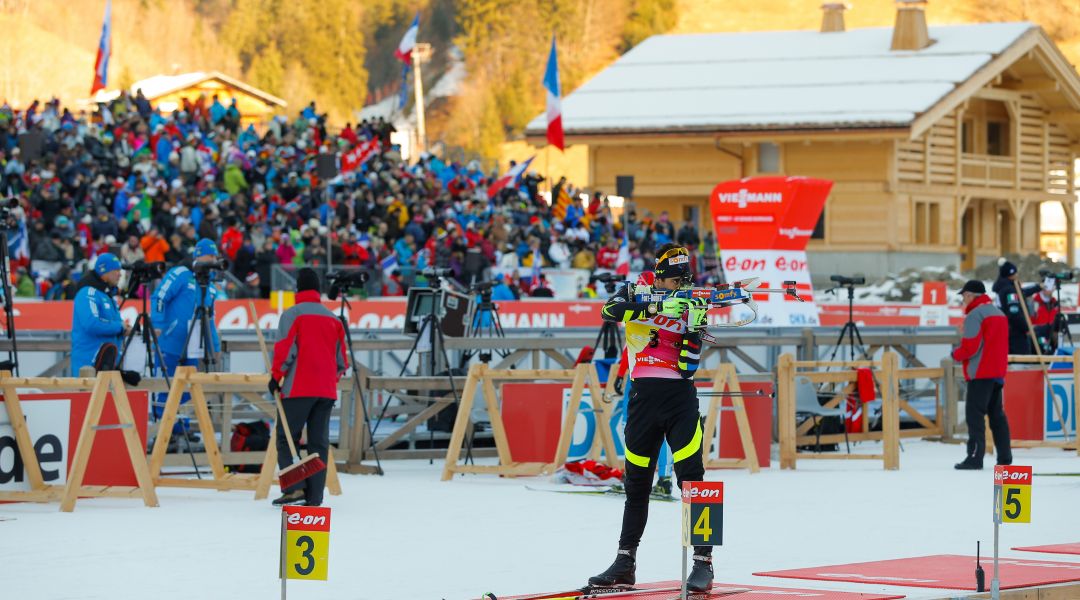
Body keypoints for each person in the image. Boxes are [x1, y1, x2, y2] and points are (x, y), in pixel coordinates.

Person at [589, 243, 713, 592]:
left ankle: (704, 562)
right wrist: (656, 306)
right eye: (674, 280)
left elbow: (689, 364)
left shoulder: (695, 302)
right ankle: (625, 561)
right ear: (660, 277)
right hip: (642, 397)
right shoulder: (635, 291)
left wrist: (692, 321)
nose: (679, 286)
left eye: (682, 280)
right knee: (636, 482)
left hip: (678, 398)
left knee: (694, 480)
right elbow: (609, 310)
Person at [269, 268, 348, 507]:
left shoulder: (293, 314)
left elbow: (286, 350)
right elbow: (341, 362)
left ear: (298, 289)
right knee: (318, 443)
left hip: (298, 388)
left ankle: (294, 489)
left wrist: (275, 376)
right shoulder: (333, 319)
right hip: (325, 391)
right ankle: (315, 496)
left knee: (287, 438)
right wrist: (327, 382)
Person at [150, 239, 223, 423]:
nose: (214, 260)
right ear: (198, 255)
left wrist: (215, 346)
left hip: (192, 348)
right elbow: (159, 297)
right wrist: (158, 325)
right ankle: (164, 432)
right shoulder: (180, 273)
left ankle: (183, 427)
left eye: (216, 256)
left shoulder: (210, 287)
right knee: (166, 389)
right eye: (210, 255)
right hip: (169, 343)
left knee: (188, 392)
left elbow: (210, 319)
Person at [953, 279, 1012, 470]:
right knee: (997, 416)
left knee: (974, 416)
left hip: (980, 373)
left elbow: (970, 347)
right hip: (997, 373)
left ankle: (975, 457)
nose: (963, 300)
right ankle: (1005, 458)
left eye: (964, 296)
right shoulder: (999, 313)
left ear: (970, 295)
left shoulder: (974, 315)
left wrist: (955, 354)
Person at [70, 253, 127, 375]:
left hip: (106, 367)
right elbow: (91, 324)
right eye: (116, 270)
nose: (120, 274)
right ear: (104, 271)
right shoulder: (88, 292)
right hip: (89, 367)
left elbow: (113, 324)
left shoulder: (106, 295)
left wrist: (124, 330)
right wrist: (120, 327)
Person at [992, 261, 1039, 355]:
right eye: (1015, 273)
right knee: (1021, 363)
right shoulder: (1010, 291)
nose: (1017, 275)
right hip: (1015, 334)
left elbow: (1022, 293)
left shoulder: (1003, 288)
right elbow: (1014, 312)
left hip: (1006, 331)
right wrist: (1026, 328)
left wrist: (1037, 288)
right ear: (1011, 274)